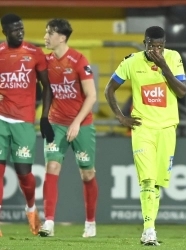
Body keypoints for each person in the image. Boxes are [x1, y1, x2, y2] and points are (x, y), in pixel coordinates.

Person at [105, 26, 186, 246]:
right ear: (145, 43)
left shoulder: (173, 58)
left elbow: (182, 91)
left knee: (157, 183)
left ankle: (148, 229)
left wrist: (164, 67)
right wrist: (121, 117)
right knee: (147, 180)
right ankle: (149, 230)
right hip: (143, 128)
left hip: (167, 128)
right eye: (152, 46)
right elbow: (109, 89)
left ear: (165, 44)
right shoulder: (131, 61)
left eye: (160, 46)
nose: (157, 50)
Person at [38, 18, 98, 238]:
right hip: (56, 123)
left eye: (49, 33)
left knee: (87, 173)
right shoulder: (44, 61)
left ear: (61, 37)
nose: (45, 36)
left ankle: (90, 223)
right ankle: (49, 223)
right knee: (52, 167)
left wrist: (76, 123)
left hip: (81, 124)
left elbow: (91, 96)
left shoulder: (79, 60)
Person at [0, 13, 54, 236]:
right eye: (14, 29)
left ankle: (31, 209)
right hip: (1, 120)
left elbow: (47, 87)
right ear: (5, 32)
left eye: (21, 28)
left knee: (25, 175)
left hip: (24, 122)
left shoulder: (34, 53)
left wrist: (44, 118)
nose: (19, 32)